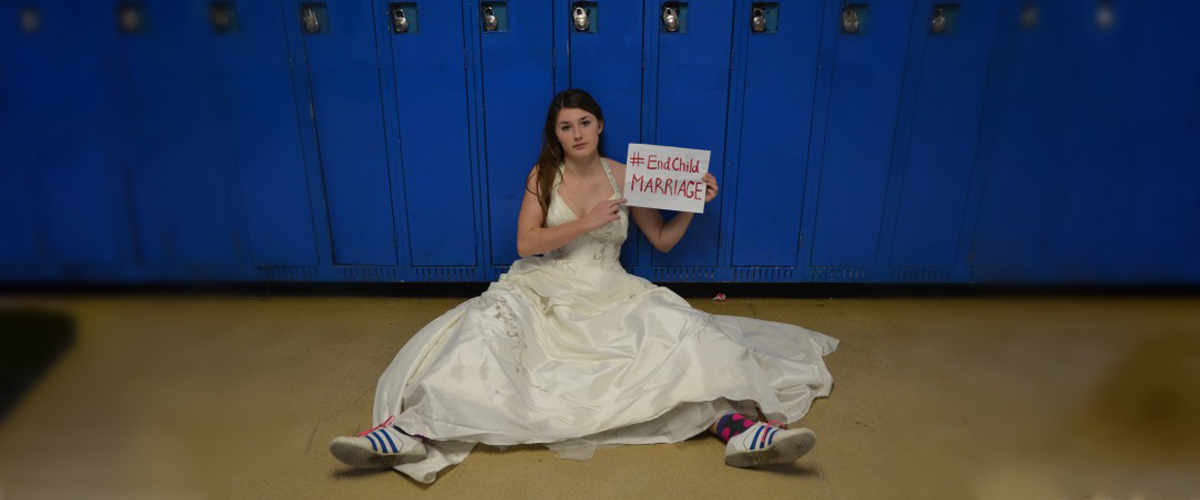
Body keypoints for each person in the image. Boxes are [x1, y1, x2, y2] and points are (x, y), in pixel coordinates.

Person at [328, 89, 838, 483]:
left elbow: (659, 241)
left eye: (585, 123)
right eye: (566, 127)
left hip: (611, 288)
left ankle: (740, 431)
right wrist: (588, 220)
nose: (577, 133)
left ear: (600, 125)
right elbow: (527, 243)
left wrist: (690, 204)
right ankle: (408, 433)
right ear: (556, 135)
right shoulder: (543, 175)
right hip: (547, 285)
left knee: (684, 336)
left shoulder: (627, 174)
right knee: (483, 338)